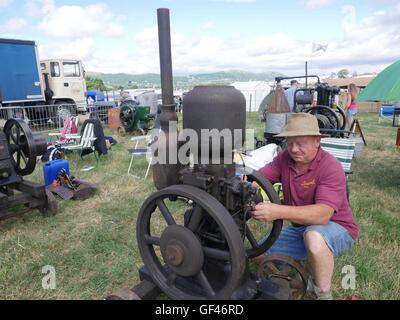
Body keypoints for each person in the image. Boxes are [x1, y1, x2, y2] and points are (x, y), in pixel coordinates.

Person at [252, 113, 358, 300]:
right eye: (289, 143)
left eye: (301, 143)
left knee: (314, 237)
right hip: (302, 228)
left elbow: (322, 215)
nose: (293, 149)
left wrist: (277, 211)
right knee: (258, 253)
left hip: (338, 228)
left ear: (317, 141)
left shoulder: (330, 167)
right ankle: (304, 269)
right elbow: (259, 179)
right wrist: (241, 184)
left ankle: (322, 294)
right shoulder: (284, 158)